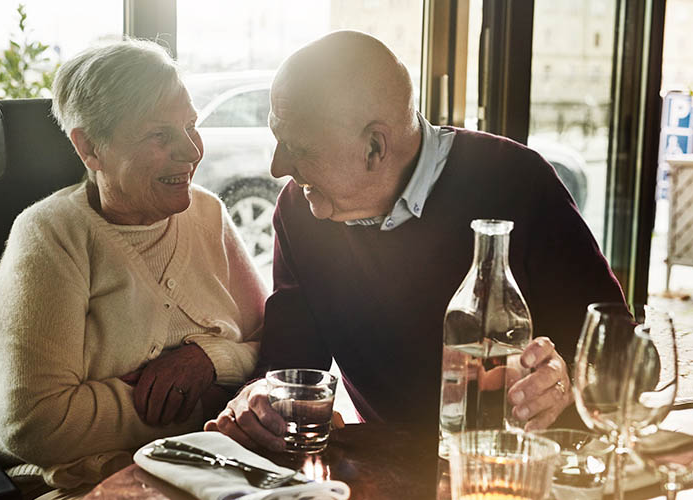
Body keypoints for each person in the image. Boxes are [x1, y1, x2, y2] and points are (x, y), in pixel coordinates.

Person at [205, 31, 625, 451]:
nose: (278, 167)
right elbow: (290, 364)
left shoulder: (517, 180)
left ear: (374, 146)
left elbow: (618, 351)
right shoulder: (300, 211)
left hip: (519, 466)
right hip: (393, 468)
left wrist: (564, 379)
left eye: (297, 147)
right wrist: (263, 396)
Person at [0, 39, 267, 497]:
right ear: (90, 147)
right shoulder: (50, 236)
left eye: (191, 126)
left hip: (209, 467)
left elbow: (270, 343)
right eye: (160, 135)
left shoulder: (207, 214)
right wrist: (201, 401)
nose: (191, 152)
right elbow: (33, 425)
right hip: (78, 480)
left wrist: (212, 362)